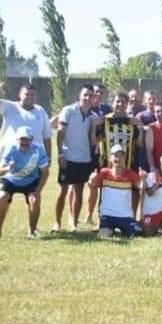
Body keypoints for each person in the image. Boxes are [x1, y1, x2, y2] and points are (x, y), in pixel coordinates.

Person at [92, 91, 144, 223]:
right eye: (117, 101)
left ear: (127, 104)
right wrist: (94, 126)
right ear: (112, 103)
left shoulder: (132, 122)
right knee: (105, 191)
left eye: (123, 102)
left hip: (128, 163)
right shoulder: (104, 121)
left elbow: (139, 143)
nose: (120, 104)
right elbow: (94, 142)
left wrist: (141, 127)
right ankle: (101, 218)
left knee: (132, 191)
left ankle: (130, 216)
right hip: (108, 164)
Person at [0, 126, 50, 238]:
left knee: (35, 200)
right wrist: (8, 168)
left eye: (26, 140)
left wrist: (38, 190)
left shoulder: (38, 150)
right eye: (21, 140)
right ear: (17, 139)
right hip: (10, 180)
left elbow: (45, 172)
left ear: (31, 140)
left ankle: (32, 231)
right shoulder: (11, 149)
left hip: (31, 180)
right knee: (1, 198)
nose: (24, 142)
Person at [54, 85, 97, 232]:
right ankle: (57, 223)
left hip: (84, 159)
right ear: (79, 96)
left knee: (79, 192)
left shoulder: (93, 117)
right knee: (63, 191)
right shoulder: (68, 111)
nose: (87, 98)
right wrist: (60, 154)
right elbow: (60, 132)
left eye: (90, 96)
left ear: (93, 99)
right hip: (68, 158)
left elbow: (93, 140)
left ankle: (74, 223)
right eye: (85, 95)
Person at [88, 144, 145, 238]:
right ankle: (105, 227)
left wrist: (143, 179)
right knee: (104, 234)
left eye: (121, 155)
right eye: (115, 155)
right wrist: (91, 179)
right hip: (107, 215)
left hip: (125, 216)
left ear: (125, 158)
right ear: (110, 158)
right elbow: (92, 186)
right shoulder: (104, 173)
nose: (118, 159)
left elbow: (141, 187)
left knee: (137, 234)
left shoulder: (131, 174)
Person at [0, 83, 52, 166]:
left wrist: (48, 157)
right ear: (20, 95)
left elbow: (47, 137)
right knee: (10, 179)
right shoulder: (10, 107)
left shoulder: (40, 111)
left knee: (34, 179)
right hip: (11, 159)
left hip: (33, 160)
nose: (30, 97)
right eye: (26, 94)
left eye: (32, 95)